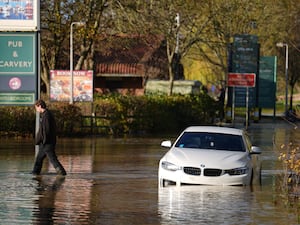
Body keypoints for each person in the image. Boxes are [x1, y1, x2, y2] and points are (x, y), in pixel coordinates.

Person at [32, 99, 67, 176]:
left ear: (40, 106)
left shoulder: (47, 115)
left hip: (47, 143)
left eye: (36, 108)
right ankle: (35, 174)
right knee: (39, 159)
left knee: (52, 159)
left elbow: (46, 130)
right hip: (45, 143)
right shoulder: (46, 114)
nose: (36, 110)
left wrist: (44, 141)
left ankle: (62, 173)